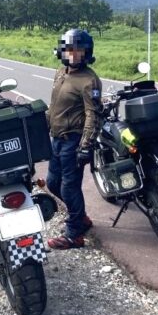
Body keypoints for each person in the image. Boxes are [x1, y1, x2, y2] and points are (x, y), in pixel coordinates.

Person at [46, 28, 103, 250]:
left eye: (78, 51)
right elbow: (55, 106)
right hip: (56, 138)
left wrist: (85, 145)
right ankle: (80, 217)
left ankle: (74, 235)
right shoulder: (61, 72)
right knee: (53, 183)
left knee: (70, 187)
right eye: (69, 50)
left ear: (86, 53)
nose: (73, 55)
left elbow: (93, 114)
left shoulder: (89, 80)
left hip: (74, 141)